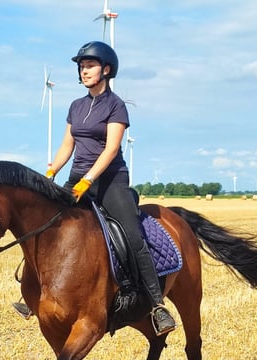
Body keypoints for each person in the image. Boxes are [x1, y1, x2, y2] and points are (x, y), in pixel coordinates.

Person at [14, 40, 176, 336]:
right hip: (77, 177)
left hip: (110, 180)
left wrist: (88, 180)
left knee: (132, 234)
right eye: (81, 66)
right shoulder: (76, 106)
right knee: (43, 225)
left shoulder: (116, 106)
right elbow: (67, 144)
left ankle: (156, 305)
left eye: (89, 65)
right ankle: (33, 294)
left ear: (106, 69)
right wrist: (50, 172)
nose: (84, 70)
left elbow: (111, 149)